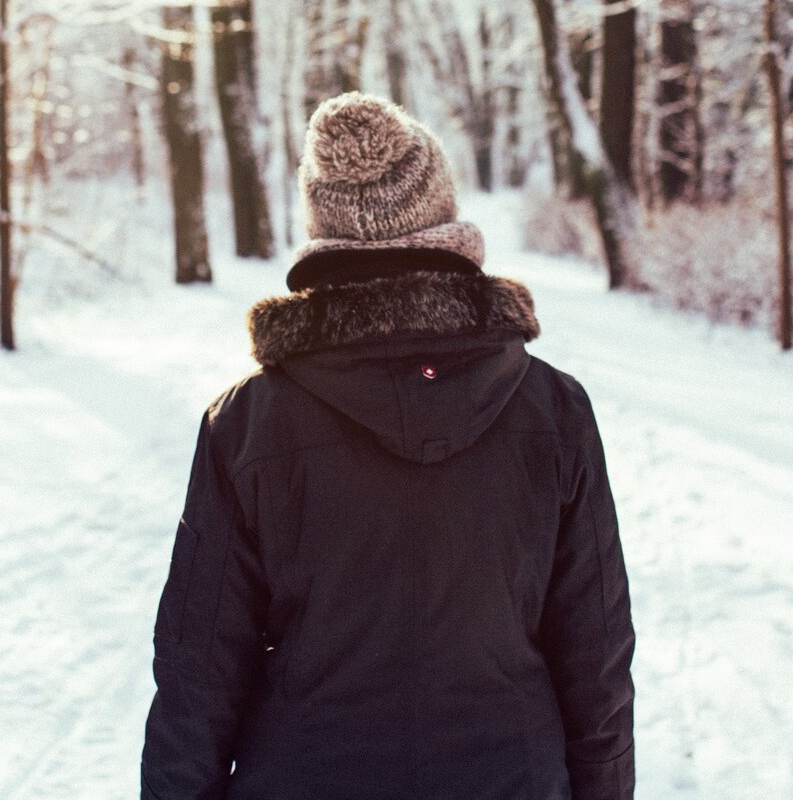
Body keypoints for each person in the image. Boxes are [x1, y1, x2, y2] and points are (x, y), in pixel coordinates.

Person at [140, 92, 636, 800]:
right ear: (442, 219)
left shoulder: (249, 423)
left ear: (322, 229)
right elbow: (597, 660)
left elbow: (197, 676)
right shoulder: (553, 409)